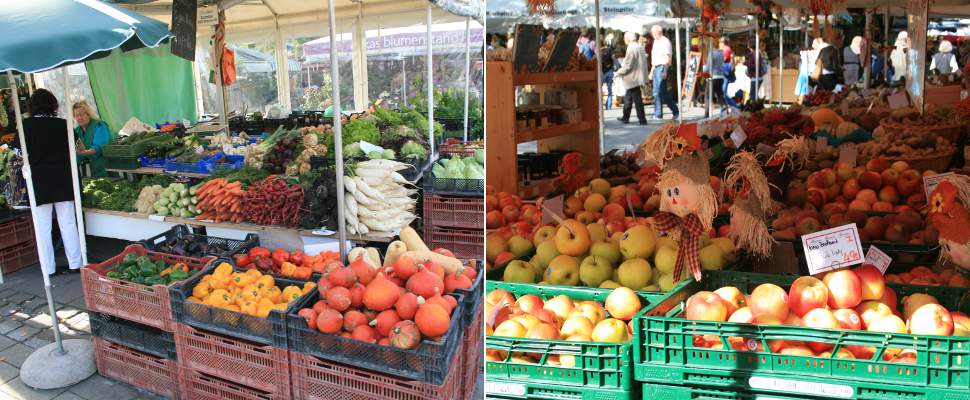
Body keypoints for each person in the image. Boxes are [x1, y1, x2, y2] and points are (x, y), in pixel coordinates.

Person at [20, 89, 82, 276]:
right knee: (69, 222)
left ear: (32, 106)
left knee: (43, 227)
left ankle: (48, 269)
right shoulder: (63, 125)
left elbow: (20, 155)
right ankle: (75, 264)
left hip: (38, 180)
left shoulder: (25, 126)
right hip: (63, 177)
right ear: (53, 104)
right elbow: (76, 147)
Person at [615, 32, 649, 125]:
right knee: (628, 98)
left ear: (629, 39)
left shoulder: (631, 48)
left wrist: (619, 72)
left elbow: (628, 65)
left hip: (632, 78)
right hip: (636, 77)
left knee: (635, 99)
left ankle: (641, 119)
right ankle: (626, 117)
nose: (624, 40)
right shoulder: (639, 46)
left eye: (625, 38)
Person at [73, 100, 110, 177]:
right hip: (87, 172)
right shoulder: (76, 131)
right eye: (77, 115)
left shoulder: (99, 125)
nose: (79, 118)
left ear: (88, 114)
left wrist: (83, 152)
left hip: (104, 168)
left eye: (82, 115)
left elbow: (99, 147)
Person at [649, 25, 678, 121]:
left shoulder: (664, 41)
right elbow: (654, 58)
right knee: (657, 92)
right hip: (657, 68)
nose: (652, 35)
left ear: (658, 32)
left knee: (661, 92)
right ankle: (659, 114)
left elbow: (668, 57)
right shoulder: (656, 42)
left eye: (653, 33)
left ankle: (673, 111)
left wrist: (665, 70)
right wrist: (651, 71)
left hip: (662, 67)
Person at [601, 37, 616, 110]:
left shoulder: (598, 51)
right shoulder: (609, 50)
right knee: (609, 90)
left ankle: (600, 105)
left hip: (601, 72)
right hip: (609, 71)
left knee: (599, 90)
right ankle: (608, 106)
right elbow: (613, 58)